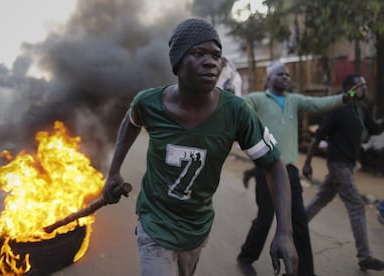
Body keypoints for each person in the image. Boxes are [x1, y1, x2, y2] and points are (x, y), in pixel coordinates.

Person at [102, 18, 298, 276]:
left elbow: (273, 165)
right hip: (154, 223)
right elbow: (131, 120)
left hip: (196, 226)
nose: (211, 62)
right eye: (198, 53)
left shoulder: (236, 112)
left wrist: (285, 232)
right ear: (178, 62)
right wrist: (114, 171)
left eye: (217, 55)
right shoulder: (149, 103)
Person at [237, 61, 355, 276]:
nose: (286, 78)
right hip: (266, 169)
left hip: (289, 171)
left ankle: (306, 272)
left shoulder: (295, 101)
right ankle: (246, 257)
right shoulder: (257, 99)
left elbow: (320, 104)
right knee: (266, 217)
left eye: (288, 75)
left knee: (298, 221)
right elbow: (237, 106)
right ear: (268, 78)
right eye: (280, 74)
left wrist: (346, 97)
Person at [302, 73, 384, 271]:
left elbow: (374, 129)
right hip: (337, 163)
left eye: (365, 84)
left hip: (347, 164)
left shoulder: (362, 109)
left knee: (321, 198)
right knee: (356, 206)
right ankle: (364, 256)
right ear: (350, 89)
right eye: (361, 84)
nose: (364, 87)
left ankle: (295, 225)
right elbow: (318, 136)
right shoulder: (337, 109)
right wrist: (307, 163)